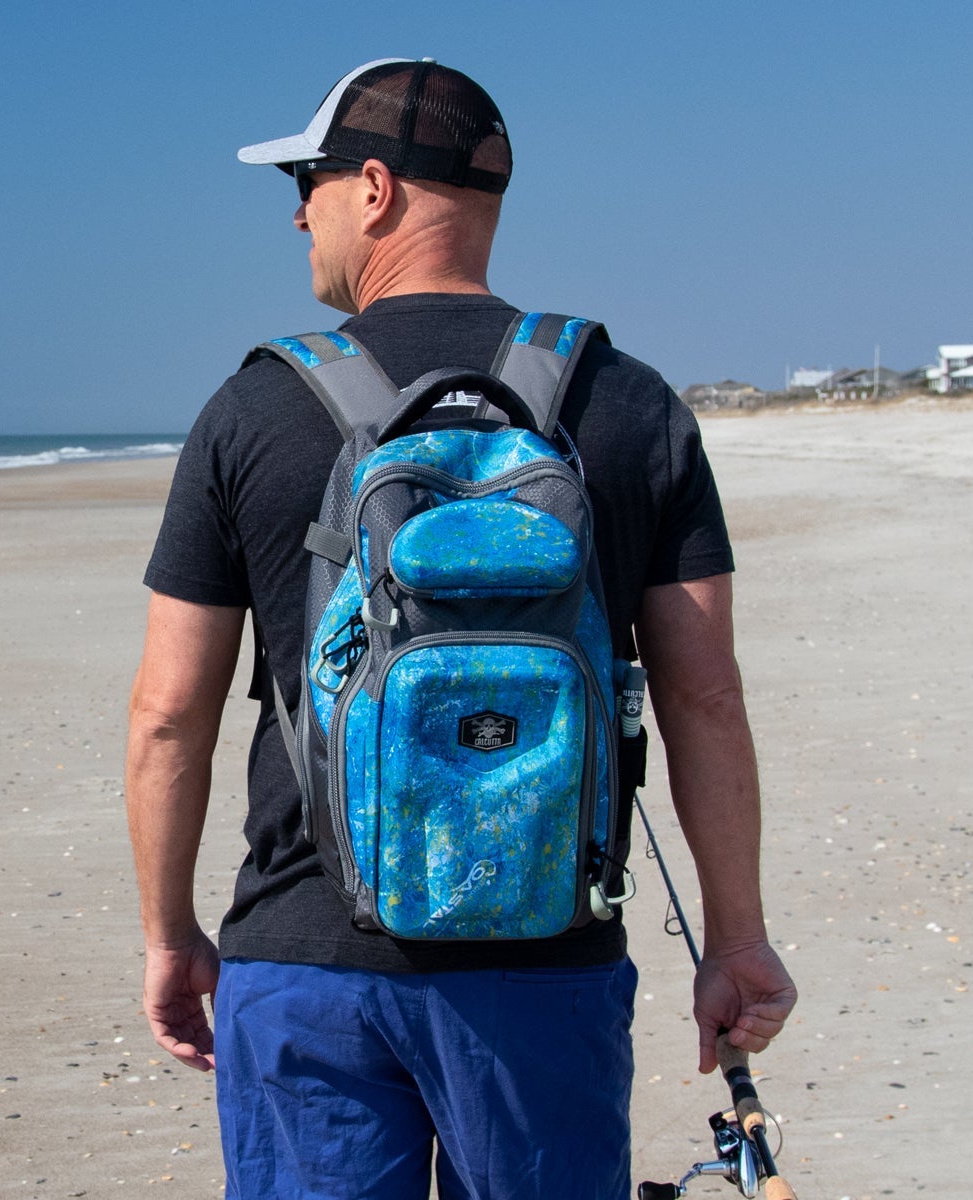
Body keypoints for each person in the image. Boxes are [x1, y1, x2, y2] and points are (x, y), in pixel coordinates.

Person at [121, 59, 797, 1197]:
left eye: (309, 180)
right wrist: (733, 941)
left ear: (373, 188)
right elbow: (702, 696)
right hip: (541, 956)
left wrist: (168, 934)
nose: (298, 211)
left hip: (305, 952)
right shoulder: (625, 402)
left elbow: (166, 714)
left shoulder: (253, 408)